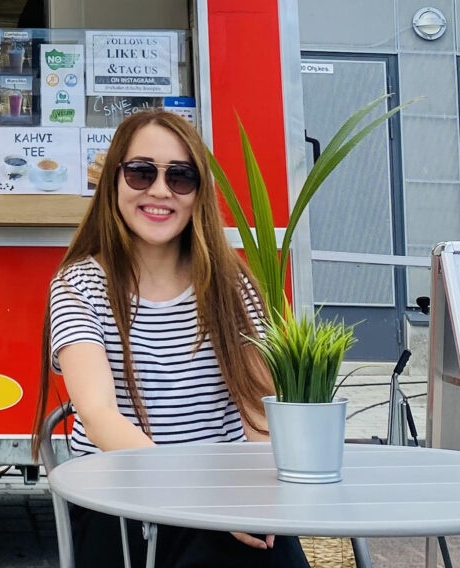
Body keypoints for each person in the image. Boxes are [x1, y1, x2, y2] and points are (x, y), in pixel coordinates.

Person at [31, 110, 311, 567]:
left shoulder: (230, 285)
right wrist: (201, 501)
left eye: (180, 177)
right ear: (114, 181)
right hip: (119, 504)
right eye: (141, 172)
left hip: (224, 500)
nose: (160, 190)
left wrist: (261, 498)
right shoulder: (77, 285)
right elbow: (100, 418)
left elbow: (259, 411)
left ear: (199, 193)